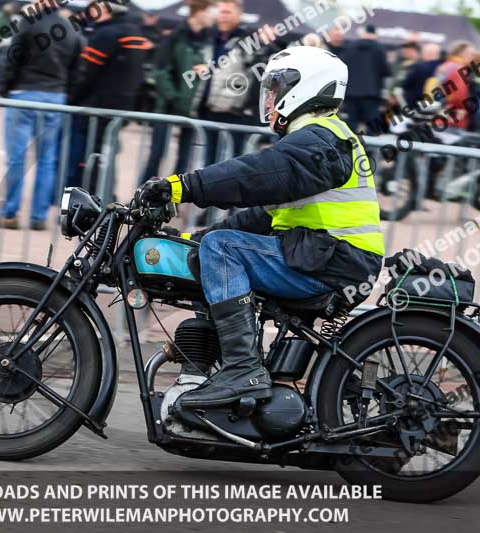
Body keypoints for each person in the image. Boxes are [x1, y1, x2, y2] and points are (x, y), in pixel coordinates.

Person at [137, 46, 384, 406]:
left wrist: (182, 186)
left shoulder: (321, 140)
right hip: (321, 255)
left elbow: (253, 175)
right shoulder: (315, 139)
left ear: (306, 87)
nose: (269, 98)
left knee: (223, 249)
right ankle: (217, 370)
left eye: (276, 87)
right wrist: (191, 240)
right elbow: (261, 218)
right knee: (214, 245)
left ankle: (242, 371)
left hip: (335, 262)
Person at [0, 1, 82, 231]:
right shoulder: (70, 28)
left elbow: (13, 58)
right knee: (47, 161)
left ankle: (10, 213)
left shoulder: (29, 23)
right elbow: (77, 70)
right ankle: (39, 216)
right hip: (55, 97)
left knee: (17, 158)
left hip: (25, 94)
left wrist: (4, 88)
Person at [66, 0, 153, 193]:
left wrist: (71, 100)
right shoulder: (135, 30)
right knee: (108, 153)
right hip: (122, 107)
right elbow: (140, 74)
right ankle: (106, 194)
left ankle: (91, 199)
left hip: (98, 107)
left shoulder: (107, 34)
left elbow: (86, 75)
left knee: (91, 156)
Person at [140, 0, 215, 183]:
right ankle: (142, 197)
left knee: (183, 162)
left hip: (193, 109)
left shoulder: (209, 40)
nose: (214, 17)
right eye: (211, 12)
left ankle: (173, 201)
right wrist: (175, 98)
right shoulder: (175, 36)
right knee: (157, 155)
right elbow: (160, 71)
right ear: (200, 12)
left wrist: (209, 70)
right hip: (168, 107)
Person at [197, 0, 252, 164]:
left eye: (228, 12)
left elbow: (254, 74)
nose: (223, 17)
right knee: (209, 162)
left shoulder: (247, 40)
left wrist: (241, 104)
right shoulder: (211, 38)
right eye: (221, 12)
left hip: (235, 112)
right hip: (210, 108)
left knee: (236, 162)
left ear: (239, 14)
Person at [338, 25, 390, 135]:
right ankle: (369, 150)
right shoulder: (379, 48)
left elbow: (342, 67)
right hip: (371, 93)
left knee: (350, 123)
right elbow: (386, 71)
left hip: (351, 93)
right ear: (375, 34)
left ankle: (348, 149)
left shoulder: (350, 47)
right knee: (373, 124)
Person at [426, 40, 475, 131]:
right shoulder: (460, 70)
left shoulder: (444, 66)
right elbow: (459, 96)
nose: (472, 57)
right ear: (462, 53)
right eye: (471, 54)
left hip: (438, 113)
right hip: (453, 119)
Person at [401, 42, 441, 109]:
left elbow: (406, 84)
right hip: (436, 105)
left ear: (426, 53)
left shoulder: (420, 68)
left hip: (415, 104)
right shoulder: (442, 68)